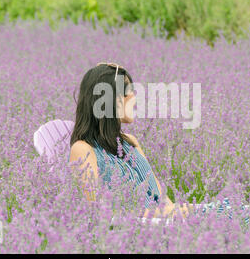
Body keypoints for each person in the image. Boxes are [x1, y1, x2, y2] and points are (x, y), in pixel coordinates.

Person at [69, 62, 236, 222]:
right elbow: (99, 211)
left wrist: (183, 211)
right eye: (127, 90)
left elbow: (162, 198)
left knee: (235, 209)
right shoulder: (82, 149)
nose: (134, 96)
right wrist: (169, 214)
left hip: (169, 220)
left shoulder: (130, 142)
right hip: (141, 229)